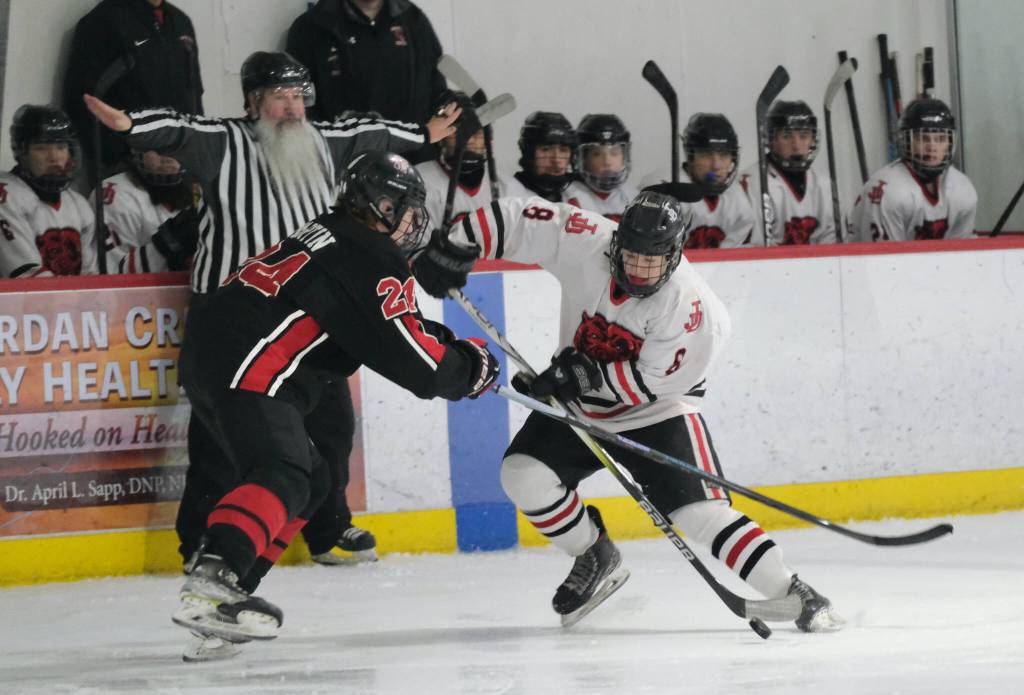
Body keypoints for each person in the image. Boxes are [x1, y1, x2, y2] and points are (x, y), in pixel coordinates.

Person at [84, 51, 463, 656]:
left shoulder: (326, 146)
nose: (291, 106)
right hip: (242, 321)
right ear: (252, 102)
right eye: (278, 96)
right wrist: (132, 126)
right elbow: (179, 129)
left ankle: (266, 563)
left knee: (318, 453)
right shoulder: (226, 143)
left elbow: (369, 135)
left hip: (302, 330)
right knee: (249, 456)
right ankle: (210, 566)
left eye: (298, 95)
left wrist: (423, 134)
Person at [415, 191, 842, 633]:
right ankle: (594, 553)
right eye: (631, 256)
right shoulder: (588, 241)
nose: (638, 268)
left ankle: (791, 589)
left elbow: (657, 382)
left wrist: (580, 375)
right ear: (617, 241)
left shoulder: (693, 310)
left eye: (651, 261)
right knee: (522, 475)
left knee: (699, 515)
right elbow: (520, 217)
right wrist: (457, 243)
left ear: (674, 256)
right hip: (578, 407)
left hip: (657, 413)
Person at [172, 150, 499, 655]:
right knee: (281, 470)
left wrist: (453, 353)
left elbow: (379, 329)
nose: (414, 219)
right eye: (407, 206)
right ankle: (215, 580)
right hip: (249, 358)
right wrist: (467, 369)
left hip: (216, 349)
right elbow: (416, 363)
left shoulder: (334, 234)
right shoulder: (369, 255)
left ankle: (225, 595)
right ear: (381, 205)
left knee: (315, 477)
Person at [286, 0, 447, 162]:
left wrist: (452, 112)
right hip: (347, 167)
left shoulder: (413, 19)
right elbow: (300, 99)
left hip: (413, 163)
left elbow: (436, 84)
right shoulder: (310, 28)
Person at [63, 0, 203, 168]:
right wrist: (126, 155)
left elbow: (194, 94)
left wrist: (199, 147)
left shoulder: (181, 22)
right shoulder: (103, 21)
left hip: (181, 162)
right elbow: (82, 101)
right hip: (128, 167)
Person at [849, 98, 977, 241]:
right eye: (923, 138)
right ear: (906, 141)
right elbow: (885, 261)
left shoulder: (962, 188)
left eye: (940, 139)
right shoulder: (889, 191)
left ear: (950, 143)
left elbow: (962, 256)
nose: (932, 147)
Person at [0, 106, 97, 278]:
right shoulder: (7, 195)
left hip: (68, 301)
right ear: (22, 152)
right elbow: (26, 275)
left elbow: (88, 275)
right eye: (42, 147)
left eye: (61, 146)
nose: (54, 157)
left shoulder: (79, 205)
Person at [738, 101, 837, 245]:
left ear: (813, 140)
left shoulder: (824, 184)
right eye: (786, 136)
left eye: (803, 136)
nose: (796, 145)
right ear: (772, 140)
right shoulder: (752, 184)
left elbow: (833, 244)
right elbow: (752, 250)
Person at [90, 149, 201, 273]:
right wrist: (165, 245)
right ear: (136, 147)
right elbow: (113, 280)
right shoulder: (118, 197)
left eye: (174, 143)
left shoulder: (201, 189)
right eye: (157, 145)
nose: (168, 154)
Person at [417, 92, 503, 228]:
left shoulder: (509, 189)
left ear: (487, 137)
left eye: (476, 132)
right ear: (441, 137)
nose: (469, 140)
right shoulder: (419, 181)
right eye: (459, 131)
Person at [564, 114, 638, 222]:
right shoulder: (567, 195)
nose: (607, 162)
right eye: (596, 154)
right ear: (583, 158)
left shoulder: (632, 197)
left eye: (614, 153)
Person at [505, 112, 577, 203]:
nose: (556, 159)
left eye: (563, 150)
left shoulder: (578, 198)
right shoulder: (507, 196)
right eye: (546, 149)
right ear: (528, 154)